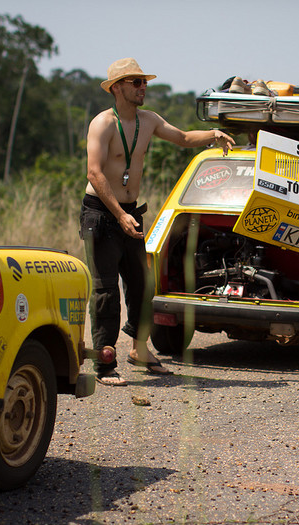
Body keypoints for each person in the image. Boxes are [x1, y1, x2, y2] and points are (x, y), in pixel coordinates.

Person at [81, 58, 235, 386]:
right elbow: (94, 172)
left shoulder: (148, 120)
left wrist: (213, 134)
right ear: (117, 87)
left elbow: (181, 137)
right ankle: (105, 362)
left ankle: (139, 349)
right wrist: (119, 215)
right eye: (135, 83)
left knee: (143, 284)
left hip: (130, 212)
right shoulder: (103, 124)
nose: (143, 87)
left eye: (144, 82)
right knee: (106, 290)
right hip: (101, 213)